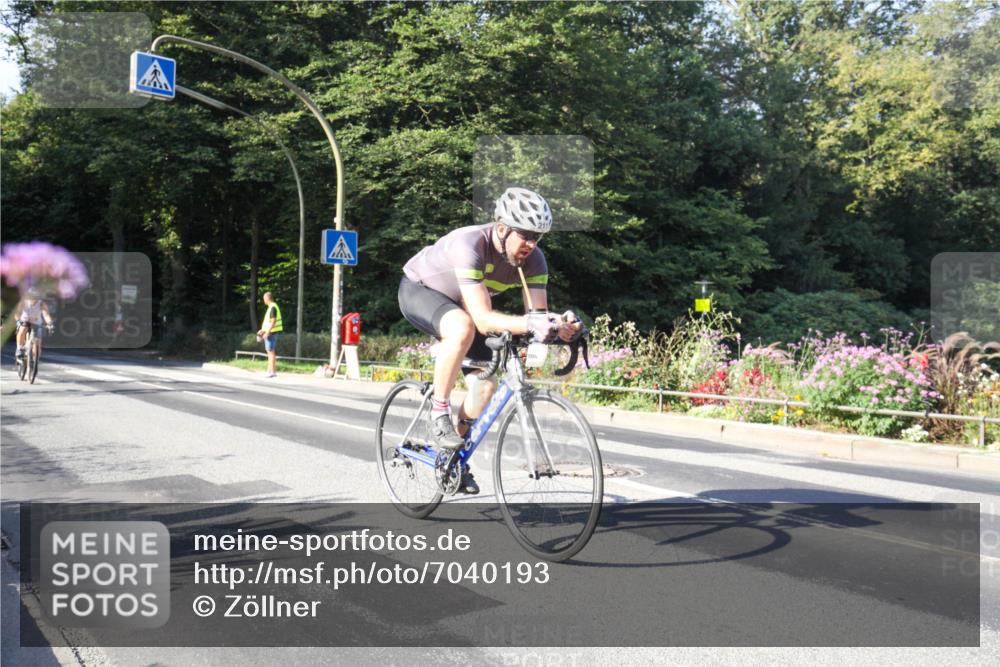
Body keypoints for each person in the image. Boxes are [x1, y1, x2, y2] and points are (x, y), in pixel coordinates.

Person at [398, 187, 581, 494]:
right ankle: (439, 412)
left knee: (485, 387)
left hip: (465, 307)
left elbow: (536, 316)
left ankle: (452, 459)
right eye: (524, 234)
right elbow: (482, 319)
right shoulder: (470, 245)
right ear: (501, 228)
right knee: (461, 326)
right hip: (422, 291)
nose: (531, 244)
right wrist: (529, 323)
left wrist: (559, 328)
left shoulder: (534, 260)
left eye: (538, 237)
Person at [14, 288, 55, 363]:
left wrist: (50, 324)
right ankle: (19, 348)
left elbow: (46, 315)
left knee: (38, 341)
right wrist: (18, 321)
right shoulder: (23, 303)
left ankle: (35, 358)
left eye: (35, 297)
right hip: (25, 320)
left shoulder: (41, 304)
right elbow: (17, 313)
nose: (33, 299)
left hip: (37, 323)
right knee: (23, 329)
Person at [257, 292, 283, 378]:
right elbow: (269, 322)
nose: (263, 300)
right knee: (270, 352)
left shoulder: (272, 307)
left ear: (267, 298)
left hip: (271, 333)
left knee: (271, 352)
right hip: (271, 332)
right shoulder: (272, 307)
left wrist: (267, 332)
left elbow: (273, 321)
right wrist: (263, 330)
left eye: (264, 298)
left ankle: (271, 372)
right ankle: (271, 371)